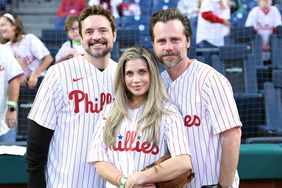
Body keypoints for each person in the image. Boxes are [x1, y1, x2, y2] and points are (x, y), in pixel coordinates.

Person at [26, 5, 118, 188]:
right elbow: (37, 141)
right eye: (89, 31)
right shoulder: (58, 74)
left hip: (110, 183)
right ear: (81, 38)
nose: (96, 37)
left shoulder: (124, 76)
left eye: (103, 30)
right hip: (66, 182)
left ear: (114, 34)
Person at [149, 8, 242, 188]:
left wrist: (223, 185)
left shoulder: (209, 80)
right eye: (161, 41)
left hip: (210, 183)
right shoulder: (157, 84)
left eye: (175, 40)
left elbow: (232, 134)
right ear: (154, 44)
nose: (168, 47)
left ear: (188, 41)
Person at [87, 46, 192, 188]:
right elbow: (98, 160)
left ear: (152, 74)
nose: (136, 80)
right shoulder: (110, 111)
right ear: (123, 78)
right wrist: (124, 182)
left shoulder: (167, 111)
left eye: (142, 72)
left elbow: (183, 161)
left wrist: (139, 178)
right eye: (129, 74)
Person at [0, 13, 53, 89]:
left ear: (14, 25)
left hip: (39, 81)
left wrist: (35, 75)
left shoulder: (29, 39)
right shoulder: (4, 47)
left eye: (3, 25)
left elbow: (48, 58)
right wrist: (18, 76)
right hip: (18, 85)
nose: (0, 28)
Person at [0, 44, 23, 142]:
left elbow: (14, 79)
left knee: (7, 156)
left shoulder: (3, 50)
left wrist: (11, 109)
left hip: (3, 124)